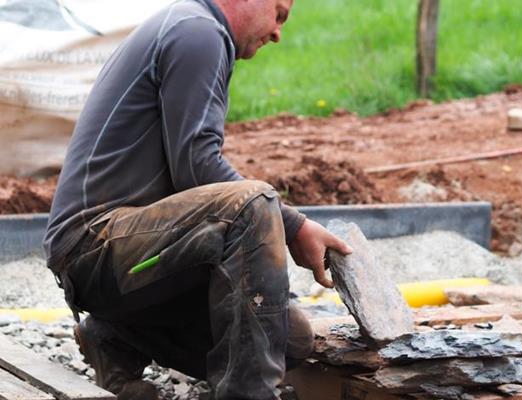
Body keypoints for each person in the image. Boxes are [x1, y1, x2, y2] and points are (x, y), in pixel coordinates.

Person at [43, 0, 352, 399]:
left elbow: (189, 177)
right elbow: (197, 166)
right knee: (254, 202)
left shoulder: (194, 28)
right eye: (279, 13)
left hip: (128, 260)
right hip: (94, 246)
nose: (278, 32)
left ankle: (116, 335)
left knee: (288, 338)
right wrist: (296, 227)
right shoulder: (198, 31)